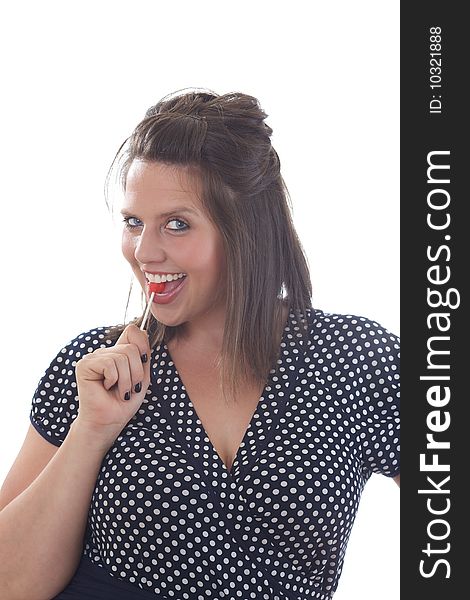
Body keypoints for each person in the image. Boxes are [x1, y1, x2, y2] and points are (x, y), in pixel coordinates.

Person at [0, 88, 400, 600]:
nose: (144, 251)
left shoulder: (359, 360)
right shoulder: (93, 371)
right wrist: (92, 430)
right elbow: (10, 584)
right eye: (133, 222)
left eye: (177, 224)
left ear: (245, 231)